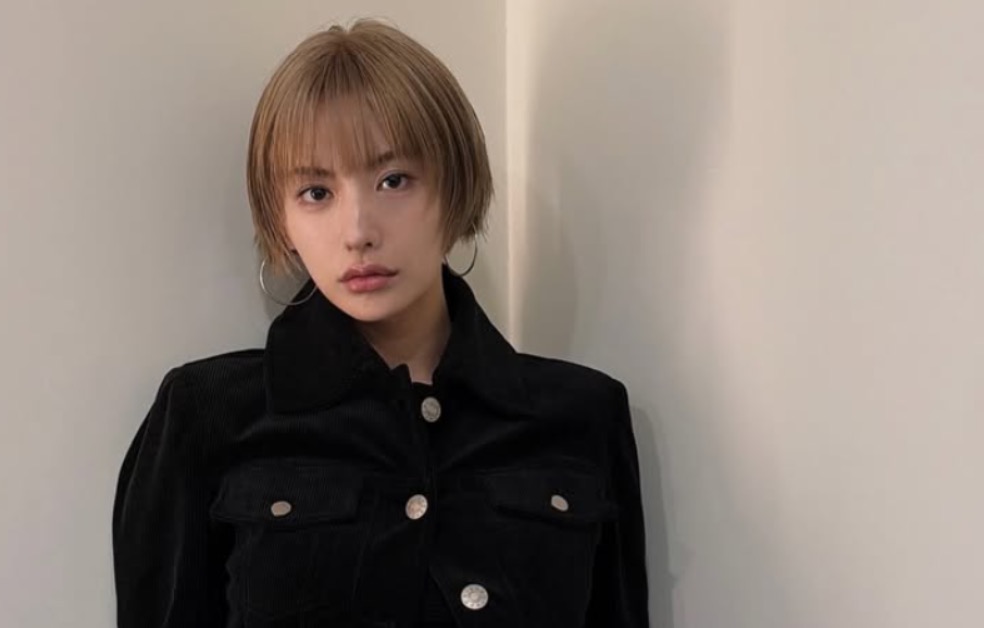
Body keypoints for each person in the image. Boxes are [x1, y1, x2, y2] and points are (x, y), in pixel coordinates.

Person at [112, 18, 649, 628]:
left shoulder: (583, 415)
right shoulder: (206, 414)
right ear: (281, 219)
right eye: (316, 192)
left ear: (456, 187)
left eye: (394, 180)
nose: (358, 231)